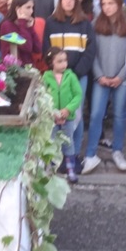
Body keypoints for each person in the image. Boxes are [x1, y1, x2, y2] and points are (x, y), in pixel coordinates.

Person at [45, 0, 98, 171]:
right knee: (56, 114)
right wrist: (56, 70)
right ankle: (56, 156)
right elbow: (47, 49)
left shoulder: (84, 23)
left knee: (74, 115)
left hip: (77, 75)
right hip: (56, 76)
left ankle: (72, 156)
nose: (68, 1)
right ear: (60, 1)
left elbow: (90, 50)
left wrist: (76, 72)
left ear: (76, 2)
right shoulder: (51, 23)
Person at [81, 0, 126, 174]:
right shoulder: (95, 25)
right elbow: (92, 54)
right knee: (96, 114)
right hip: (100, 78)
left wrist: (121, 76)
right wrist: (99, 75)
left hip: (122, 79)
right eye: (104, 4)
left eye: (111, 3)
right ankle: (90, 154)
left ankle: (117, 151)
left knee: (120, 115)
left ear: (119, 5)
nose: (107, 7)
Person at [43, 46, 84, 184]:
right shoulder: (46, 77)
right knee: (52, 141)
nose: (63, 64)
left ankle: (70, 169)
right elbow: (43, 96)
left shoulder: (71, 76)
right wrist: (53, 112)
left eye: (65, 61)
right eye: (59, 61)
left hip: (68, 117)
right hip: (52, 118)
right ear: (51, 63)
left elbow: (78, 95)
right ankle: (51, 169)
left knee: (68, 142)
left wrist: (68, 110)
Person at [0, 0, 41, 67]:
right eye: (28, 7)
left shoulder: (24, 24)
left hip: (28, 67)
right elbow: (26, 47)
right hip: (14, 69)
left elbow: (38, 48)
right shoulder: (7, 25)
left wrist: (30, 28)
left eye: (32, 8)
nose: (31, 11)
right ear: (18, 9)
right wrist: (22, 23)